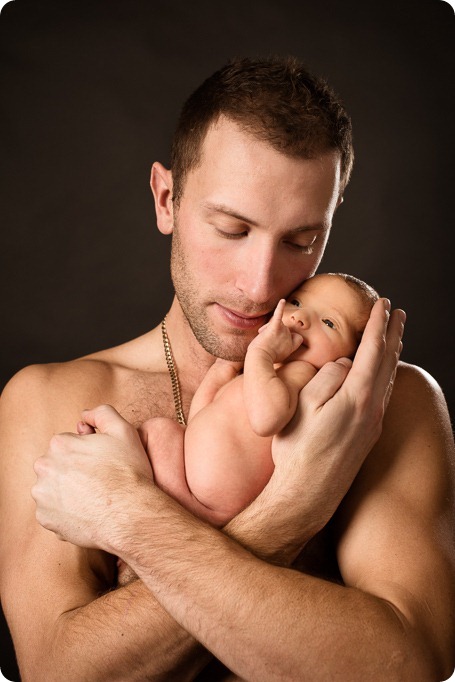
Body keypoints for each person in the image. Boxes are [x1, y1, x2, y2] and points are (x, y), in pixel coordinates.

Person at [1, 56, 454, 681]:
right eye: (231, 228)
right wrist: (292, 510)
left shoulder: (384, 402)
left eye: (300, 242)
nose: (260, 284)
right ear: (167, 199)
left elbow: (411, 664)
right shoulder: (53, 397)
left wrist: (134, 523)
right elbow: (57, 669)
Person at [80, 273, 378, 530]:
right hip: (193, 476)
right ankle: (142, 496)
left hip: (223, 502)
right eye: (298, 302)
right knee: (158, 430)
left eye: (329, 322)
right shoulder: (267, 371)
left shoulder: (306, 375)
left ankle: (151, 515)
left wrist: (260, 355)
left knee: (143, 452)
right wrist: (224, 369)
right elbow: (206, 414)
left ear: (351, 356)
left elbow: (267, 419)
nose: (301, 317)